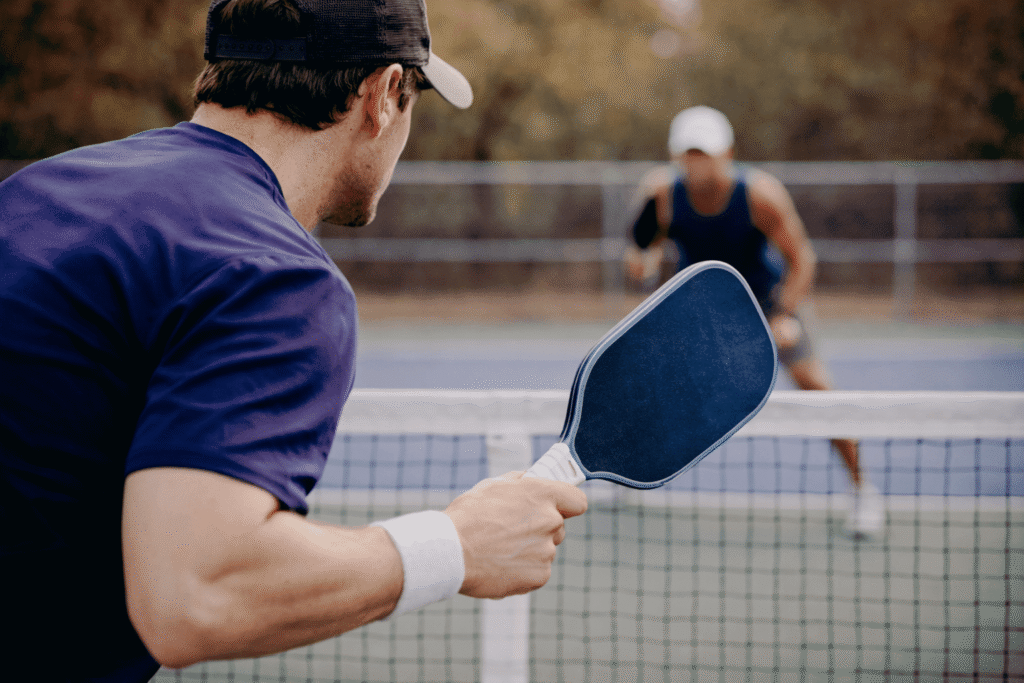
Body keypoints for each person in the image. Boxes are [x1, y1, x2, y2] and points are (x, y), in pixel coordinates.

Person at [0, 1, 587, 680]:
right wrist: (454, 545)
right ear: (384, 93)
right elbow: (194, 596)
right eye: (416, 97)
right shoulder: (274, 275)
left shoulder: (37, 189)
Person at [623, 105, 883, 538]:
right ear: (676, 157)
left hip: (767, 300)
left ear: (728, 152)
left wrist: (783, 315)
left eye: (705, 153)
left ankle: (862, 492)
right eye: (688, 154)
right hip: (703, 303)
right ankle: (626, 475)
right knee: (642, 377)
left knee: (815, 385)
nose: (697, 162)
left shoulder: (761, 194)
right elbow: (641, 251)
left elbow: (802, 260)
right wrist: (641, 263)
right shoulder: (663, 194)